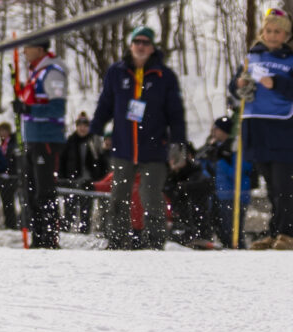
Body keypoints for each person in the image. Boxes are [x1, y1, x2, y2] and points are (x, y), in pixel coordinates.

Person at [91, 26, 186, 250]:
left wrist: (178, 142)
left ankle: (155, 242)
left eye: (146, 42)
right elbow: (105, 104)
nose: (141, 46)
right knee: (118, 196)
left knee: (150, 194)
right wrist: (95, 130)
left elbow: (176, 113)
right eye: (137, 42)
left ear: (152, 48)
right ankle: (116, 240)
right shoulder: (117, 72)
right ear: (131, 45)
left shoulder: (165, 76)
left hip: (153, 148)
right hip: (124, 147)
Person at [234, 7, 293, 250]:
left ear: (286, 35)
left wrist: (277, 82)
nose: (271, 35)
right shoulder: (253, 57)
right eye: (268, 30)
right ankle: (273, 233)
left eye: (277, 32)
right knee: (271, 184)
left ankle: (287, 233)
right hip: (258, 129)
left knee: (285, 183)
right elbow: (235, 88)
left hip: (288, 130)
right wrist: (238, 85)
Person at [12, 36, 69, 248]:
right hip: (32, 139)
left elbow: (57, 108)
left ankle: (49, 238)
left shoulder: (51, 72)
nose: (25, 52)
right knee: (30, 191)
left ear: (39, 49)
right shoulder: (35, 73)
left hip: (46, 139)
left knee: (44, 192)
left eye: (27, 48)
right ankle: (38, 237)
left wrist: (29, 110)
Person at [200, 115, 255, 248]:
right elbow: (206, 170)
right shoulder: (214, 146)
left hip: (235, 195)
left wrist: (220, 161)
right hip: (219, 194)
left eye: (217, 129)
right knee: (221, 230)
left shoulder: (235, 148)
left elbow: (237, 173)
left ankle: (239, 252)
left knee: (232, 232)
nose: (214, 131)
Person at [58, 112, 108, 233]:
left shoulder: (93, 141)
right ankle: (67, 230)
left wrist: (99, 178)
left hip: (88, 180)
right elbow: (62, 161)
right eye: (80, 125)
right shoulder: (70, 141)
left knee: (86, 209)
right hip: (72, 179)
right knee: (70, 208)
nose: (82, 128)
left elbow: (101, 161)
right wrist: (62, 177)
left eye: (85, 125)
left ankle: (84, 230)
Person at [162, 142, 216, 248]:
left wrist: (185, 187)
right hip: (179, 225)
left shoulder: (196, 172)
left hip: (198, 226)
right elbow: (168, 190)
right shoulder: (170, 176)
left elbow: (207, 185)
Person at [0, 121, 19, 230]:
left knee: (17, 201)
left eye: (3, 131)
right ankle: (10, 224)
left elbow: (13, 159)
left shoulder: (14, 143)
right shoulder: (1, 145)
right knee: (7, 201)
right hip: (4, 177)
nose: (1, 134)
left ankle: (18, 223)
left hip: (13, 176)